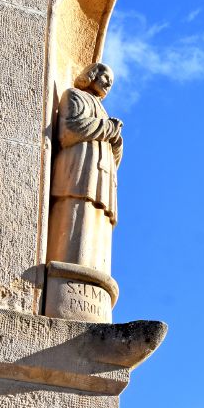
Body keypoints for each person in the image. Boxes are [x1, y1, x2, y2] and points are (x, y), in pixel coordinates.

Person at [47, 62, 122, 278]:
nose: (108, 83)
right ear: (92, 74)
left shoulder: (103, 111)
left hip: (101, 177)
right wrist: (108, 128)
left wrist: (116, 141)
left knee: (97, 222)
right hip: (79, 169)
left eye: (112, 82)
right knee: (75, 213)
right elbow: (69, 130)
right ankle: (67, 272)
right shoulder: (75, 96)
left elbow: (113, 158)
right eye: (106, 76)